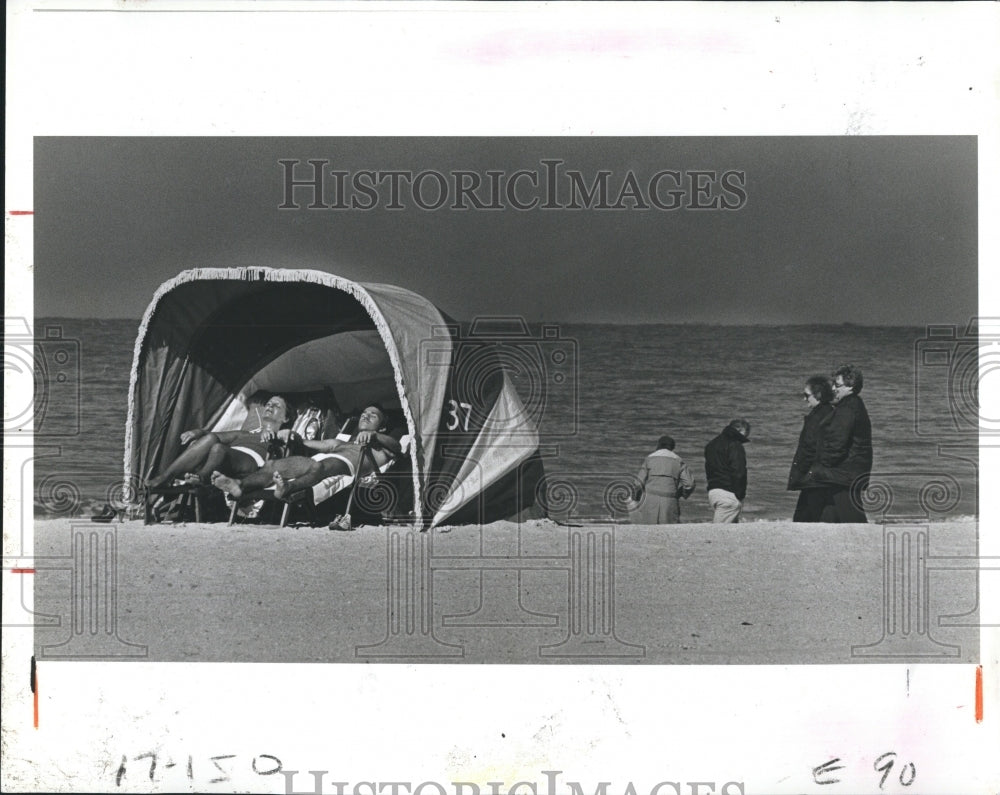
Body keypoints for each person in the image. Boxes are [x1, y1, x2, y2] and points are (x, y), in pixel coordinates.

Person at [211, 405, 401, 501]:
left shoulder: (384, 446)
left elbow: (397, 447)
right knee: (272, 465)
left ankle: (288, 489)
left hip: (345, 466)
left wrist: (374, 435)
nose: (365, 416)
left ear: (382, 427)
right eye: (364, 413)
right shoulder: (342, 441)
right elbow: (317, 444)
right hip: (319, 461)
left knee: (319, 466)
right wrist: (291, 435)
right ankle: (239, 485)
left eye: (373, 415)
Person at [146, 395, 295, 488]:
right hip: (227, 457)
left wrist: (276, 438)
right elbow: (214, 435)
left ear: (286, 418)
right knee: (212, 440)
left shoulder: (285, 437)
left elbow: (285, 457)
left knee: (218, 448)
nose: (270, 406)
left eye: (276, 406)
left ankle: (202, 478)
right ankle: (165, 477)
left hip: (252, 464)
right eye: (268, 404)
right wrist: (197, 432)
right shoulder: (245, 433)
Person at [806, 364, 872, 523]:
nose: (833, 388)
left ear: (850, 386)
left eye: (837, 385)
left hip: (843, 474)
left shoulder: (848, 408)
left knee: (853, 521)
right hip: (846, 473)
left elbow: (837, 442)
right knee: (829, 518)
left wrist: (822, 464)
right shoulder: (853, 405)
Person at [787, 375, 836, 522]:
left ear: (818, 395)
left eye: (807, 395)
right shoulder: (832, 412)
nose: (804, 399)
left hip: (813, 475)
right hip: (826, 474)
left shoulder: (816, 417)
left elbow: (809, 447)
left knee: (804, 518)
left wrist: (800, 472)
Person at [632, 435, 695, 524]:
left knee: (648, 532)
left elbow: (638, 483)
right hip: (669, 501)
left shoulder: (649, 458)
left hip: (649, 500)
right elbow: (689, 484)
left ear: (658, 445)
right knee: (668, 533)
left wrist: (636, 498)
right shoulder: (678, 460)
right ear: (672, 447)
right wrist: (681, 493)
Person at [704, 419, 751, 523]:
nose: (746, 437)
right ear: (741, 430)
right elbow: (739, 472)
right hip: (729, 493)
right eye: (746, 435)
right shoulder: (735, 444)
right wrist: (740, 495)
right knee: (719, 532)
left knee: (727, 532)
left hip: (713, 492)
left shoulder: (711, 444)